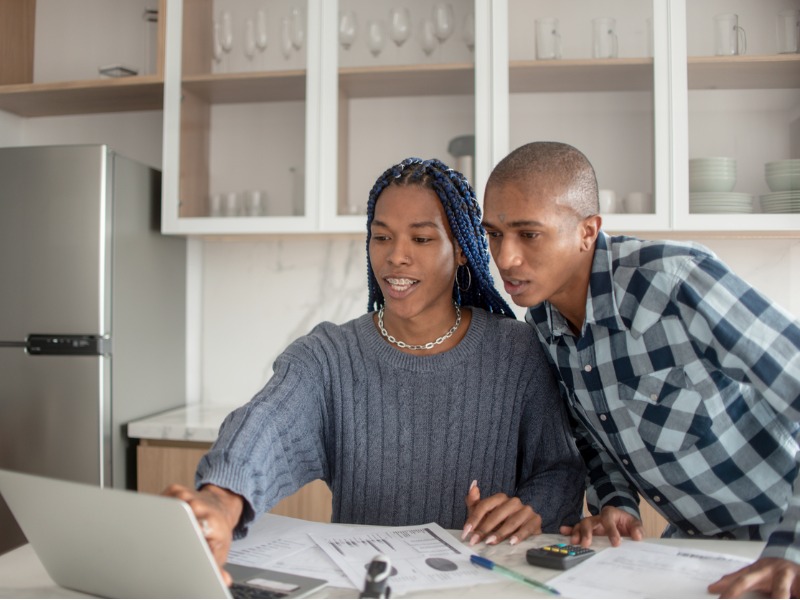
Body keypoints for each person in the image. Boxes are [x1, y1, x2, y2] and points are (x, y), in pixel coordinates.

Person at [165, 157, 586, 584]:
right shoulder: (330, 355)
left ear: (460, 248)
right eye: (381, 237)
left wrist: (530, 510)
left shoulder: (516, 350)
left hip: (485, 586)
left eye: (421, 239)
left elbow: (560, 470)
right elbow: (266, 426)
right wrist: (221, 500)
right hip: (364, 589)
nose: (396, 256)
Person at [481, 140, 800, 598]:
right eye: (494, 233)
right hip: (699, 552)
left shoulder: (676, 281)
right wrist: (615, 502)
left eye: (528, 234)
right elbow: (592, 432)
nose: (505, 258)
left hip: (782, 543)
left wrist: (791, 551)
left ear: (587, 231)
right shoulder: (543, 327)